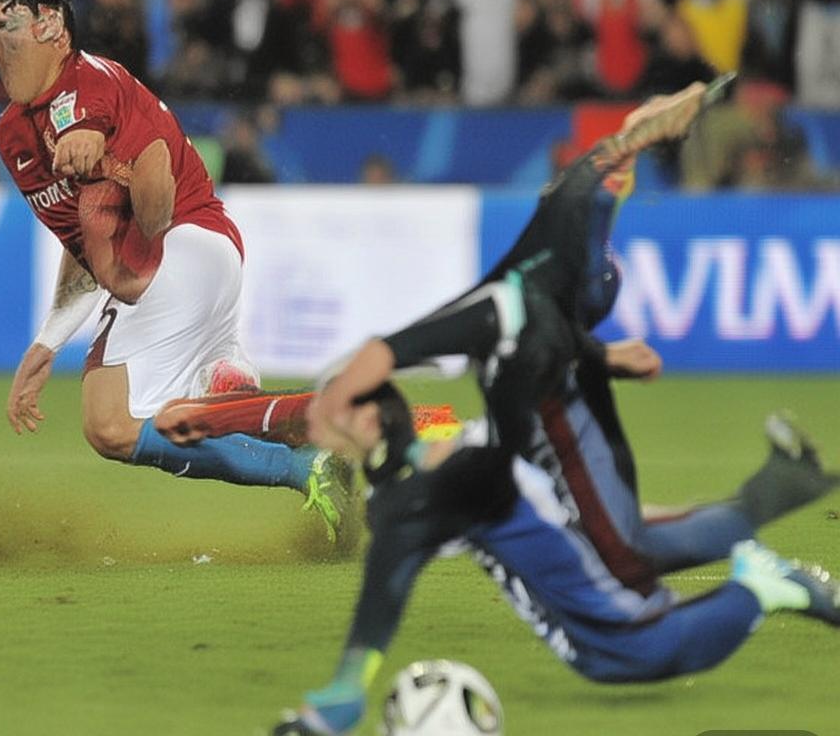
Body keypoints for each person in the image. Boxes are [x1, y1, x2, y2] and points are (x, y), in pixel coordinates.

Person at [269, 78, 840, 733]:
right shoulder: (535, 287)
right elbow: (575, 199)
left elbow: (391, 351)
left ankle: (762, 575)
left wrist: (335, 398)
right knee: (624, 560)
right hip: (536, 440)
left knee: (629, 603)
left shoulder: (508, 306)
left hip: (548, 438)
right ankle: (768, 511)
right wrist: (634, 137)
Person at [0, 0, 349, 541]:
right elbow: (88, 250)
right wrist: (48, 342)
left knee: (110, 425)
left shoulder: (93, 83)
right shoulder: (13, 137)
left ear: (51, 27)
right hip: (198, 259)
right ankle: (248, 402)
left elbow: (153, 205)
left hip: (179, 244)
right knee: (192, 414)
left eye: (7, 21)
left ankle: (306, 455)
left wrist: (109, 160)